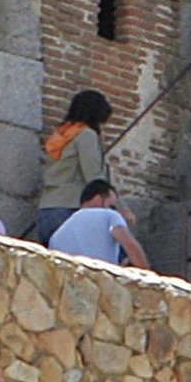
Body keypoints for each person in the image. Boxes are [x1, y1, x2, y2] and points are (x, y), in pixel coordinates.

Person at [36, 90, 113, 247]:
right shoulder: (86, 135)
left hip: (46, 210)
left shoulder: (62, 134)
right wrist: (118, 207)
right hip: (70, 210)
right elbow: (94, 177)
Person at [47, 179, 149, 270]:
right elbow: (130, 246)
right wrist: (147, 276)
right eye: (112, 206)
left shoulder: (56, 236)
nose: (113, 210)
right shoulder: (110, 215)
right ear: (98, 198)